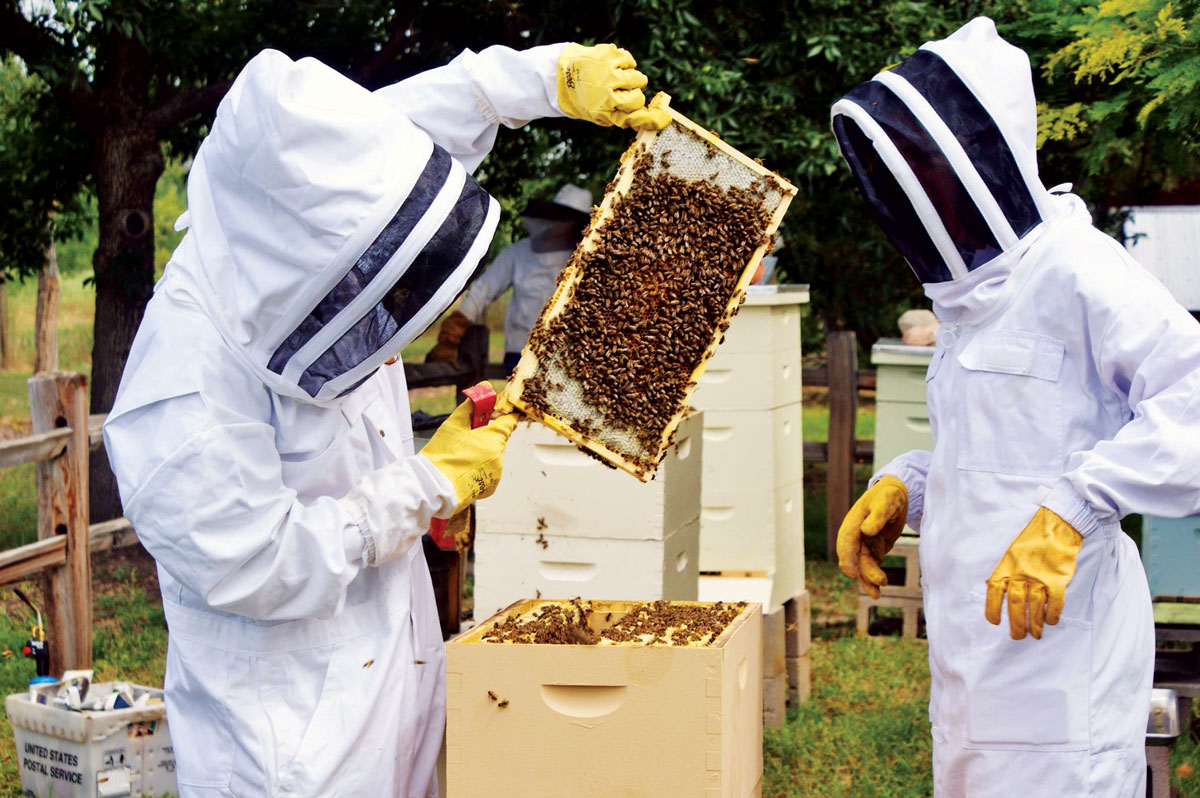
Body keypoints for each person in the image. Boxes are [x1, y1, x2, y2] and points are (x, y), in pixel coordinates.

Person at [102, 41, 668, 797]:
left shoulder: (300, 194)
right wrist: (427, 483)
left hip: (392, 669)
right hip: (290, 738)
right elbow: (266, 565)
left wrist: (547, 79)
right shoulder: (178, 388)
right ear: (299, 261)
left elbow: (410, 132)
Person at [830, 17, 1200, 797]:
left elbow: (1191, 401)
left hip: (1065, 665)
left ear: (984, 158)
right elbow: (1002, 451)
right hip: (974, 664)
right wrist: (909, 485)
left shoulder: (1078, 270)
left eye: (932, 170)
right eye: (909, 180)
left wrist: (1073, 509)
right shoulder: (970, 304)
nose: (923, 194)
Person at [426, 184, 592, 372]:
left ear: (578, 224)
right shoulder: (517, 253)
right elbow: (482, 291)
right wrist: (450, 336)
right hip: (519, 352)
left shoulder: (585, 259)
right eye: (558, 216)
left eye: (568, 219)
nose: (561, 224)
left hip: (566, 356)